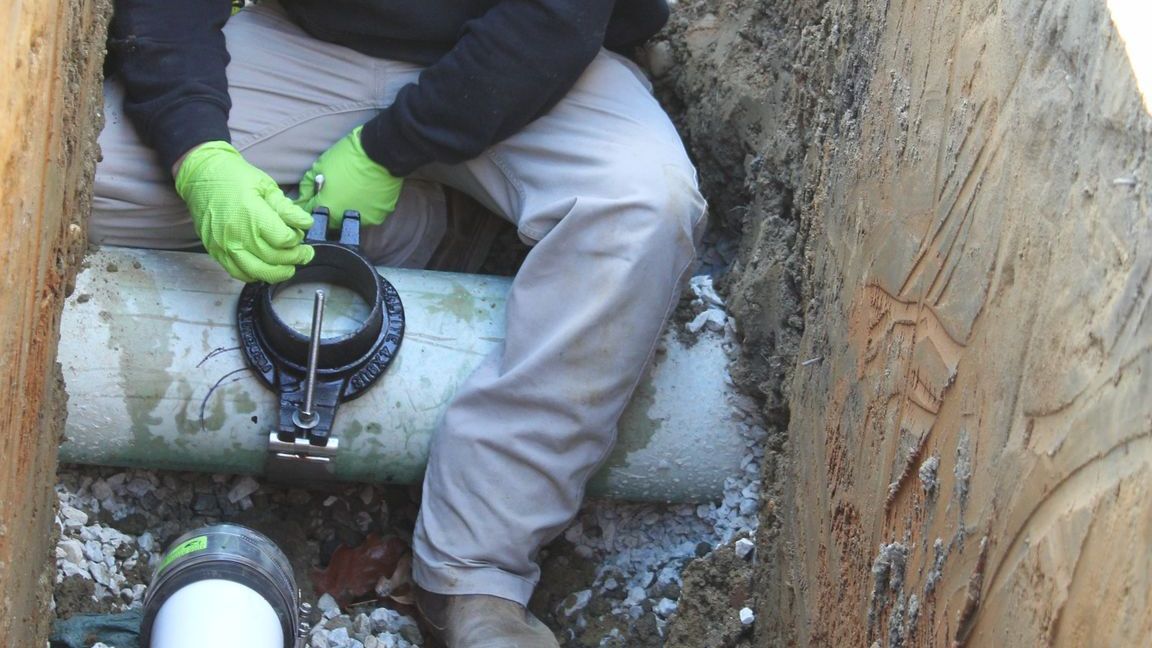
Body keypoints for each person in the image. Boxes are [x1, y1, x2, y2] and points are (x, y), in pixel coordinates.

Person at [93, 1, 707, 645]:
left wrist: (387, 150)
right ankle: (431, 233)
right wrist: (199, 154)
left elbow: (555, 17)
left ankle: (476, 572)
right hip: (309, 45)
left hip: (533, 64)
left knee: (642, 207)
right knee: (79, 170)